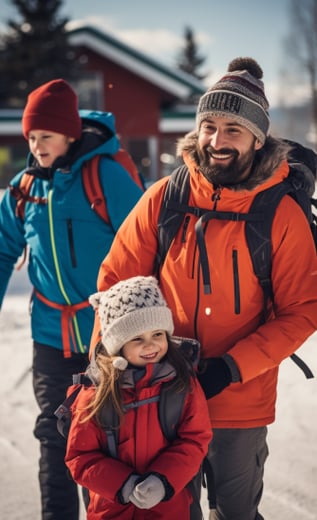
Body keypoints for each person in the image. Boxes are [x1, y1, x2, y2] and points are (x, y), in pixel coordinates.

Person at [90, 57, 317, 520]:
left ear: (258, 136)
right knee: (168, 510)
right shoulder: (166, 197)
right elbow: (116, 284)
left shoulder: (281, 214)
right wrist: (105, 370)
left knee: (235, 511)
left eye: (233, 128)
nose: (217, 140)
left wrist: (231, 369)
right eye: (209, 125)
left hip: (240, 399)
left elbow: (304, 309)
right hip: (159, 392)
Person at [0, 79, 143, 520]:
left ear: (68, 133)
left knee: (102, 438)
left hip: (104, 338)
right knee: (54, 434)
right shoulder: (24, 189)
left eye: (45, 136)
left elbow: (144, 246)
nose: (36, 146)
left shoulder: (106, 177)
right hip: (48, 333)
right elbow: (4, 250)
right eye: (31, 137)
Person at [65, 275, 212, 519]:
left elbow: (195, 440)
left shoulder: (182, 383)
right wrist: (122, 484)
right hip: (112, 511)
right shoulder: (95, 393)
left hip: (169, 509)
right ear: (117, 345)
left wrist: (164, 479)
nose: (150, 345)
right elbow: (80, 457)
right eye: (136, 338)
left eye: (157, 334)